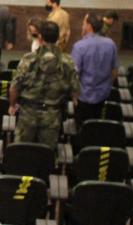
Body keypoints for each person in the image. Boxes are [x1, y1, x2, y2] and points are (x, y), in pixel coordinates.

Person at [9, 21, 80, 149]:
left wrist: (12, 105)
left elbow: (14, 88)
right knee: (45, 154)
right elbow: (76, 91)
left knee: (22, 151)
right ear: (58, 37)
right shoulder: (68, 62)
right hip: (52, 115)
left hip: (28, 114)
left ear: (40, 37)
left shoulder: (28, 59)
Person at [71, 13, 119, 124]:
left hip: (83, 98)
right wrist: (107, 86)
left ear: (89, 26)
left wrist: (74, 94)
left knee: (82, 129)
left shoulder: (79, 47)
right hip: (103, 96)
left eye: (84, 23)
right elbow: (115, 72)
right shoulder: (111, 44)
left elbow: (74, 74)